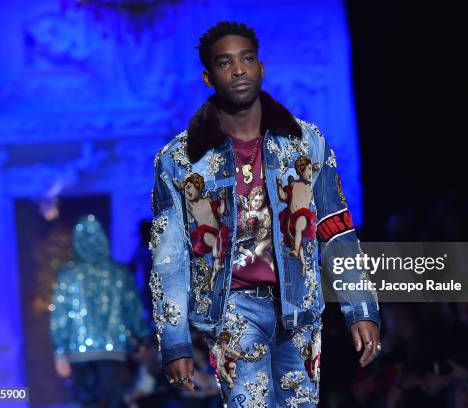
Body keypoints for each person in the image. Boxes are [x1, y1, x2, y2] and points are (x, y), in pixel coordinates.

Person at [149, 21, 380, 407]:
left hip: (300, 306)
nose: (239, 69)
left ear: (261, 67)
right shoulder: (179, 160)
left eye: (247, 59)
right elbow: (168, 257)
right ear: (208, 76)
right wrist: (174, 342)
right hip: (230, 311)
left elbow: (336, 229)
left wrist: (361, 306)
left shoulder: (306, 143)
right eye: (225, 63)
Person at [50, 215, 151, 407]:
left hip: (78, 352)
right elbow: (132, 309)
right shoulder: (118, 272)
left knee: (88, 402)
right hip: (114, 349)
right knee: (114, 401)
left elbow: (60, 318)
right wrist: (142, 337)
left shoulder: (68, 275)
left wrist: (60, 353)